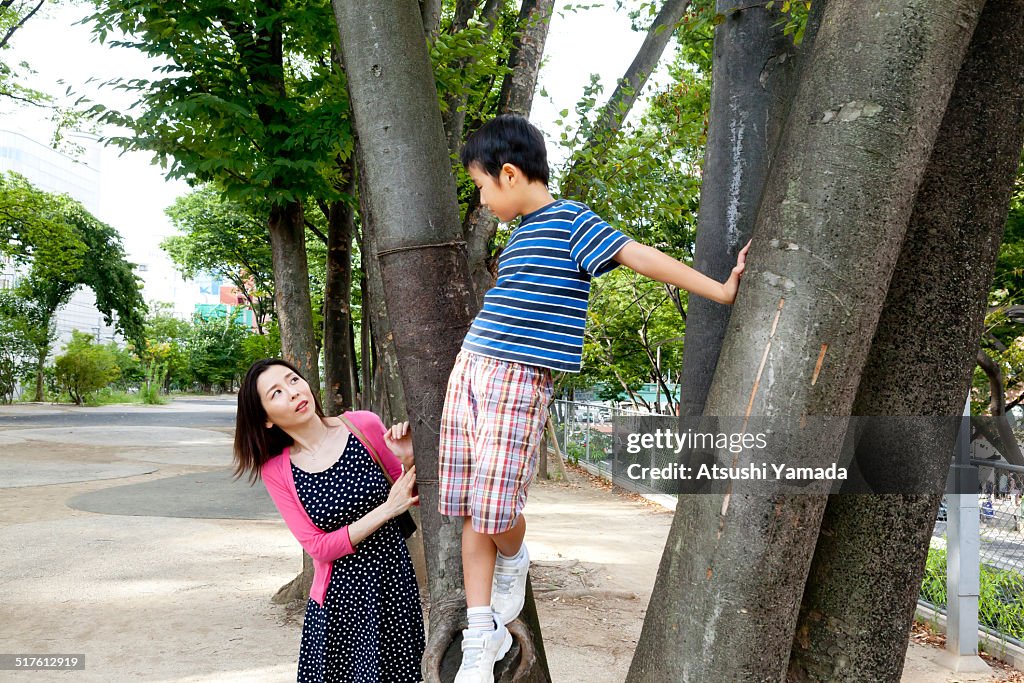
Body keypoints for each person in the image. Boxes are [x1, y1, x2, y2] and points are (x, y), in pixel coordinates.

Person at [439, 114, 749, 681]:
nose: (481, 201)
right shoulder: (519, 236)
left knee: (494, 506)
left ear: (508, 174)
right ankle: (479, 632)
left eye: (481, 186)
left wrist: (721, 292)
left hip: (519, 376)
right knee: (467, 504)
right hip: (472, 367)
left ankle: (513, 555)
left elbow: (640, 257)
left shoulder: (570, 220)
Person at [233, 358, 424, 682]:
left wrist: (407, 460)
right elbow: (318, 547)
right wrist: (385, 510)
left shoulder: (363, 426)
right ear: (265, 418)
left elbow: (405, 496)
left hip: (394, 587)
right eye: (276, 392)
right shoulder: (277, 470)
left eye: (293, 380)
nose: (293, 392)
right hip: (340, 602)